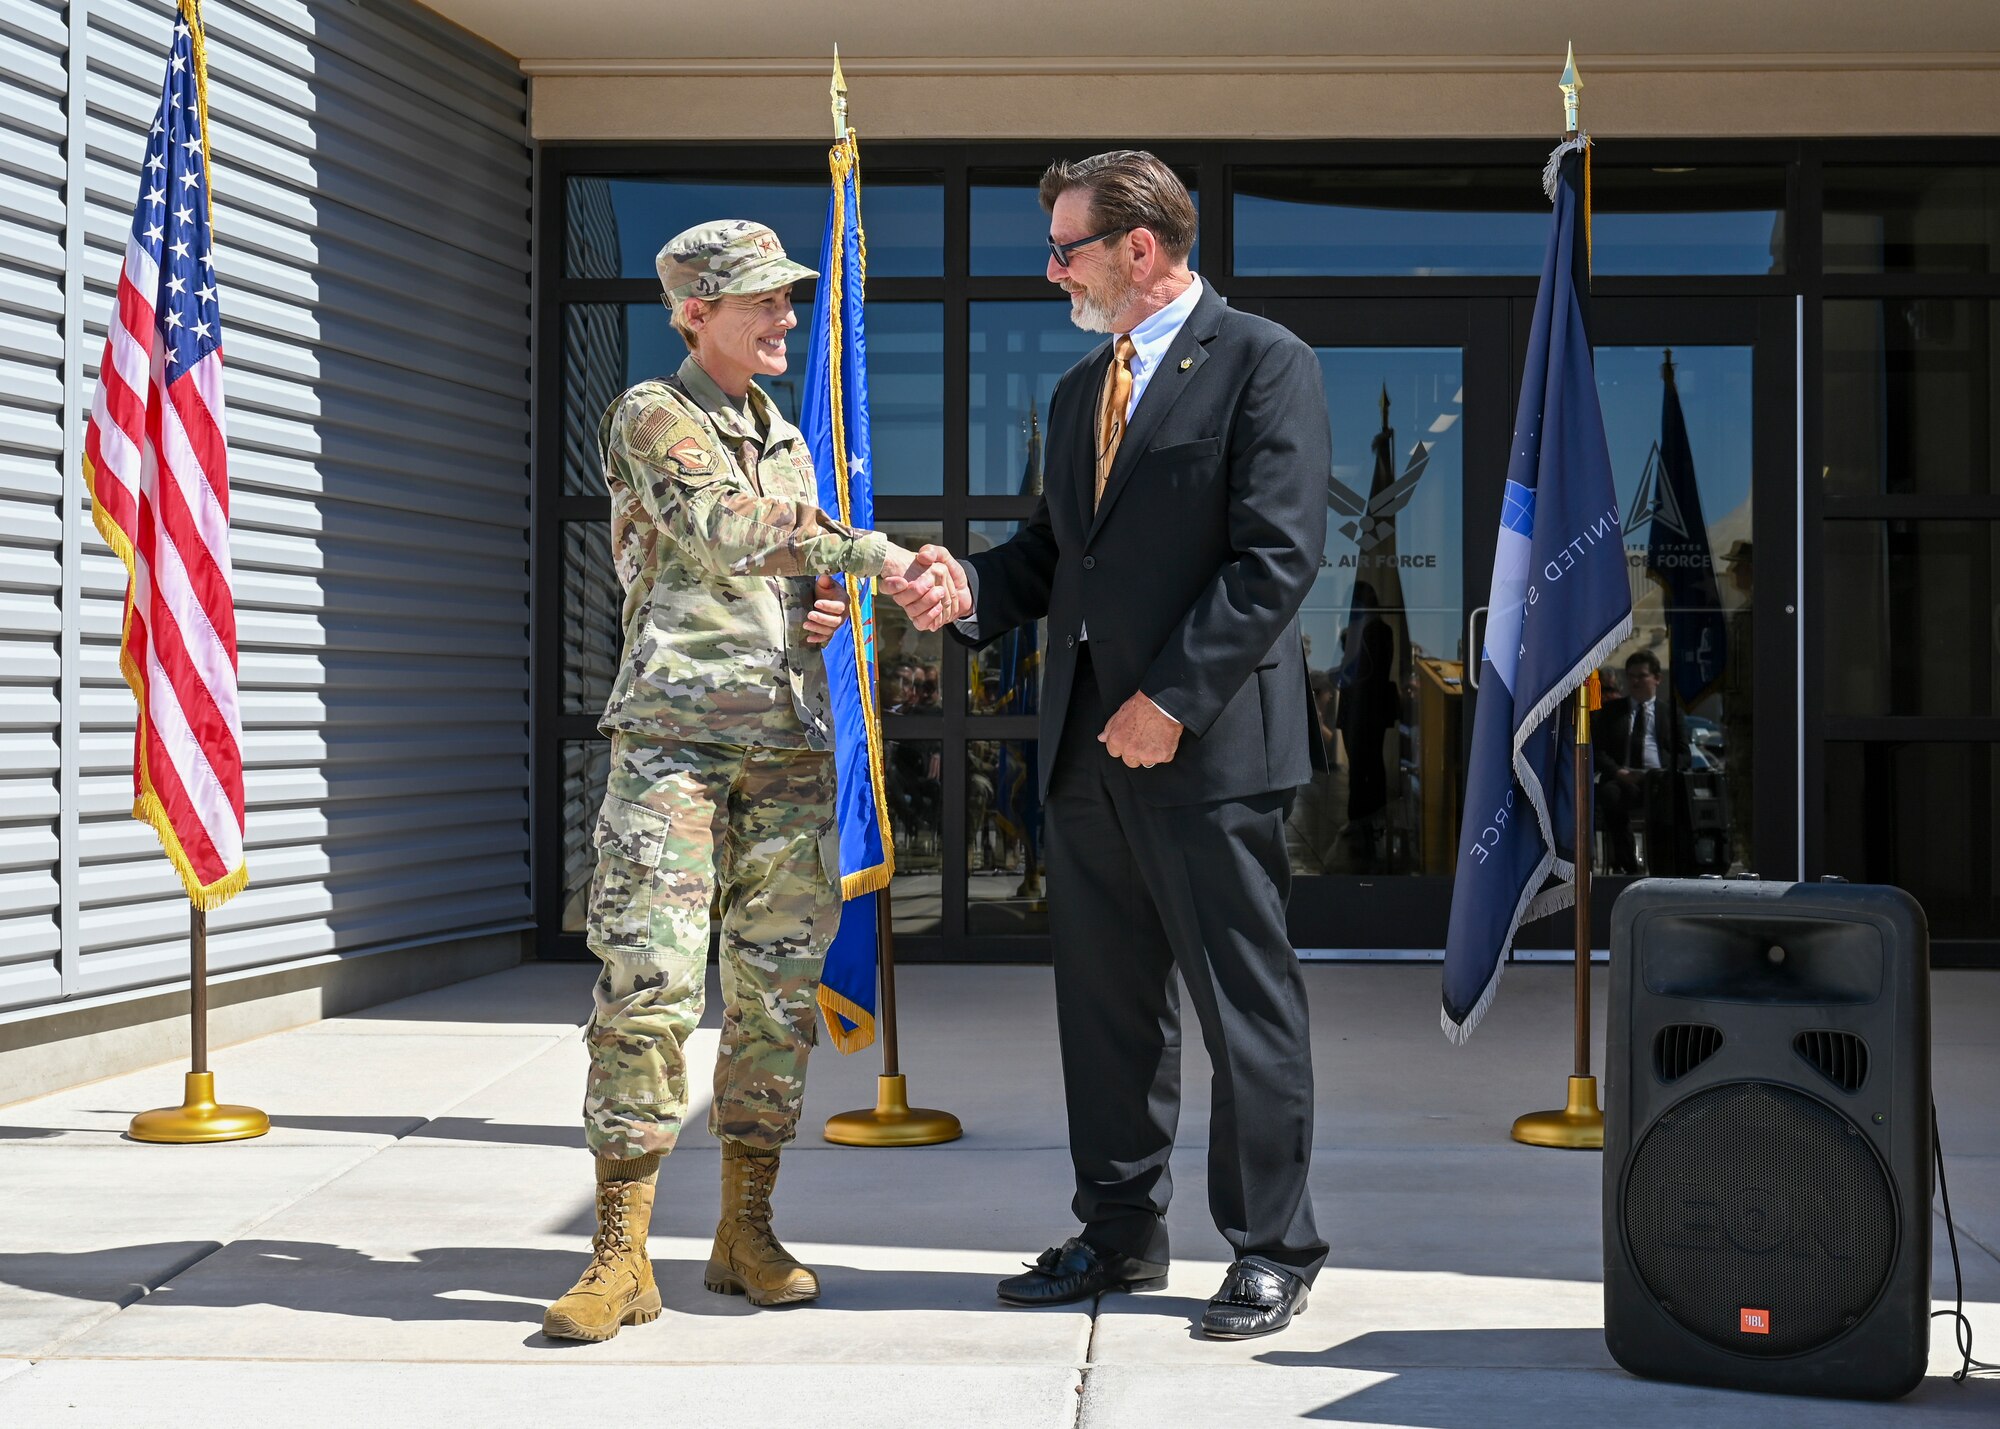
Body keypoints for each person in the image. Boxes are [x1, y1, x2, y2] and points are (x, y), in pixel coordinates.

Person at [888, 151, 1331, 1339]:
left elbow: (1275, 558)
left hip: (1209, 748)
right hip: (1084, 748)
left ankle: (1272, 1248)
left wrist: (1174, 698)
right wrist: (963, 589)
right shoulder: (1088, 384)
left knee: (1246, 1007)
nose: (1051, 269)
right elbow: (1050, 555)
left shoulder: (1262, 362)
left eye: (1067, 248)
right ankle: (1118, 1231)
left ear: (1140, 248)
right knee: (1105, 1008)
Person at [543, 220, 946, 1342]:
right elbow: (722, 531)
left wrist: (820, 603)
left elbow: (779, 569)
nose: (783, 320)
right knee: (648, 986)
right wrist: (879, 556)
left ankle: (745, 1231)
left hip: (784, 748)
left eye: (786, 300)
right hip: (673, 744)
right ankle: (620, 1255)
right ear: (695, 313)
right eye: (761, 302)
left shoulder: (784, 437)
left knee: (772, 996)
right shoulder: (648, 413)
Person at [1593, 648, 1683, 875]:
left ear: (1656, 679)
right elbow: (1599, 750)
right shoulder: (1612, 711)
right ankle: (1627, 865)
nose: (1635, 681)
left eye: (1641, 675)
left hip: (1658, 779)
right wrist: (1617, 772)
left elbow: (1684, 754)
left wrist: (1664, 771)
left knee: (1669, 802)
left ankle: (1662, 868)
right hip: (1623, 778)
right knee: (1609, 794)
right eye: (1631, 675)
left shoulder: (1669, 713)